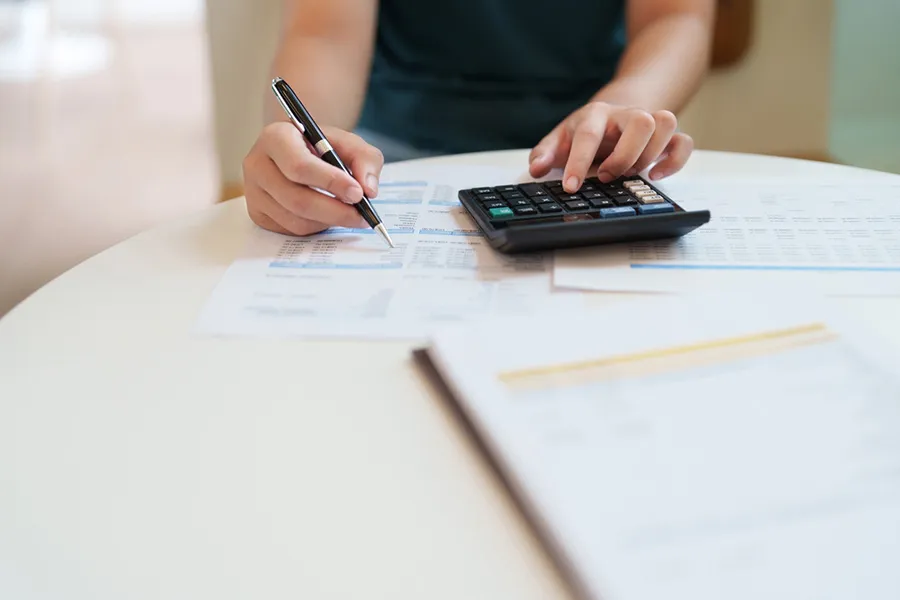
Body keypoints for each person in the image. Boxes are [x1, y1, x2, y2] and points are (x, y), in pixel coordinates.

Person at [242, 0, 716, 236]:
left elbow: (676, 16)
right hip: (387, 152)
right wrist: (307, 149)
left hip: (587, 149)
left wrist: (628, 103)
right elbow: (325, 34)